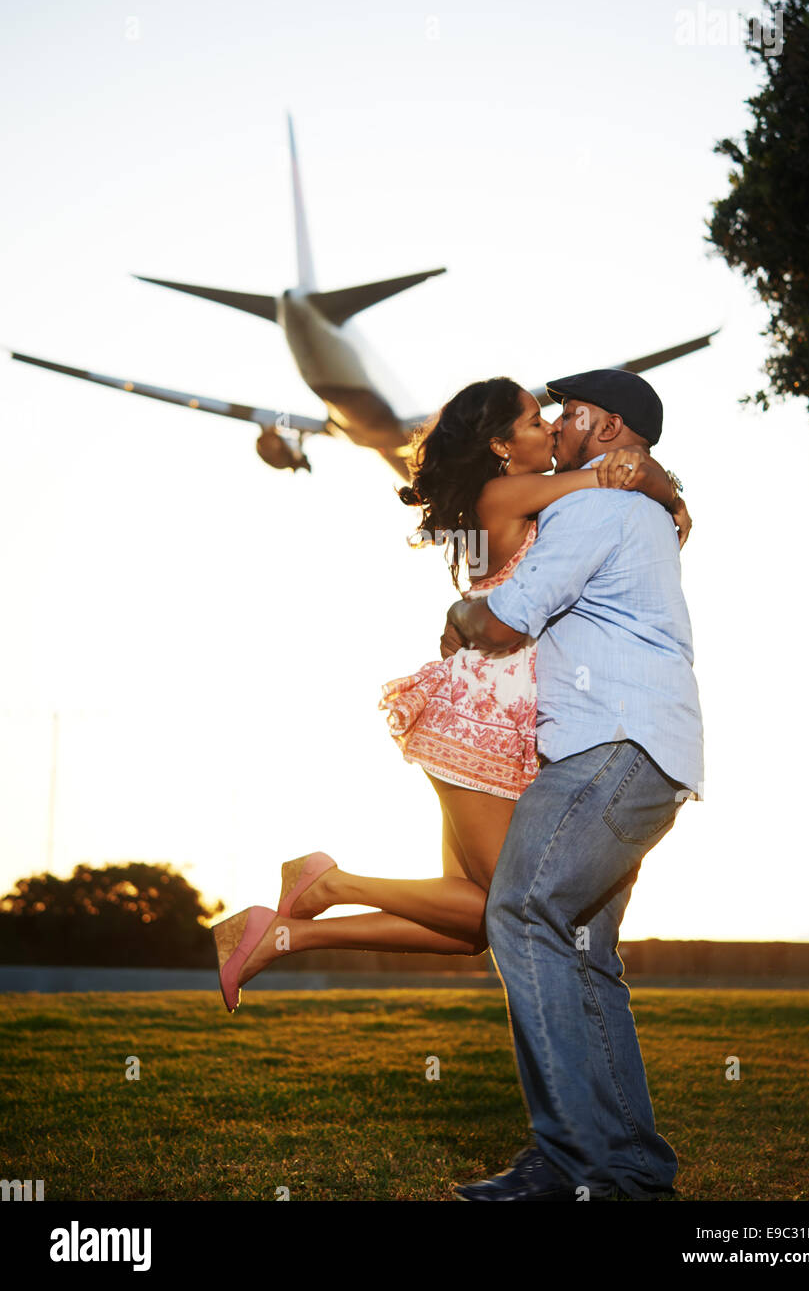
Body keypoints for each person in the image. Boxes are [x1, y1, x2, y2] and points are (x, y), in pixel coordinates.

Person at [212, 376, 691, 1014]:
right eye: (532, 422)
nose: (549, 427)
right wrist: (670, 494)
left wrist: (661, 486)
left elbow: (621, 479)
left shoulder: (520, 495)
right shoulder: (509, 492)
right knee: (508, 902)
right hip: (481, 716)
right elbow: (617, 479)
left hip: (498, 717)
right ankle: (328, 883)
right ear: (499, 446)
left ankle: (284, 935)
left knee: (474, 927)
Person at [440, 368, 704, 1202]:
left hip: (605, 746)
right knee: (586, 954)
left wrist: (458, 618)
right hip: (650, 756)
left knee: (518, 913)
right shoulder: (640, 508)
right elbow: (671, 504)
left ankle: (570, 1164)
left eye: (568, 412)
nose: (555, 423)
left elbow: (508, 616)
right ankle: (628, 1171)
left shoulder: (592, 507)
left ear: (607, 423)